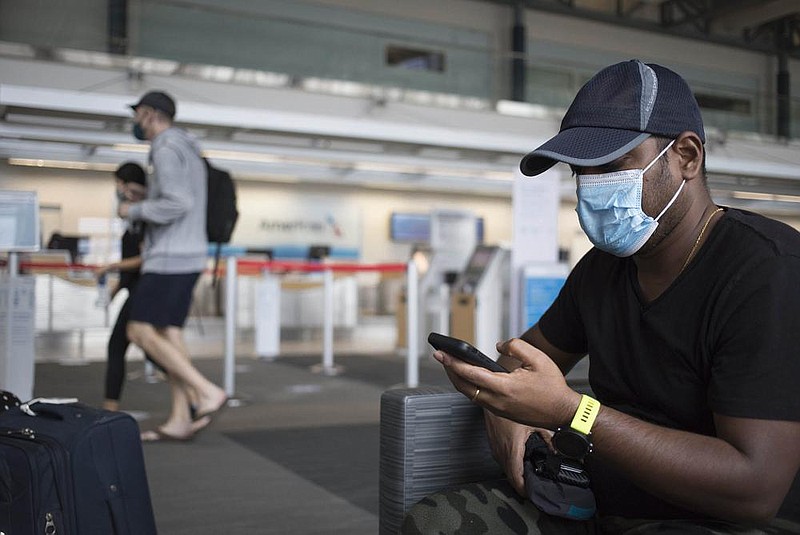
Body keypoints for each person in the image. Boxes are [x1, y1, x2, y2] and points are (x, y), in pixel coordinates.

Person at [404, 60, 800, 534]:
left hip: (721, 521)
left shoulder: (767, 271)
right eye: (580, 170)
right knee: (439, 523)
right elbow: (521, 362)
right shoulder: (602, 270)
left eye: (612, 165)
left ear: (687, 157)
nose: (590, 185)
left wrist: (574, 412)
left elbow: (755, 489)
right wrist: (504, 411)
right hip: (601, 502)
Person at [118, 90, 227, 442]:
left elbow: (179, 202)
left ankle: (206, 391)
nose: (136, 122)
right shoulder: (189, 148)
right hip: (189, 253)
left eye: (138, 115)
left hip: (170, 257)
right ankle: (180, 417)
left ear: (150, 114)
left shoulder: (165, 146)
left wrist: (133, 210)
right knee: (168, 334)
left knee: (138, 330)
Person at [95, 162, 153, 412]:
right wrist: (114, 289)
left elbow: (145, 259)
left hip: (146, 291)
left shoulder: (147, 215)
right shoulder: (134, 220)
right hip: (137, 289)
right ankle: (192, 397)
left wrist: (112, 266)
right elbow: (132, 270)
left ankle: (195, 394)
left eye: (123, 185)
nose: (121, 192)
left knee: (124, 345)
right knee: (150, 350)